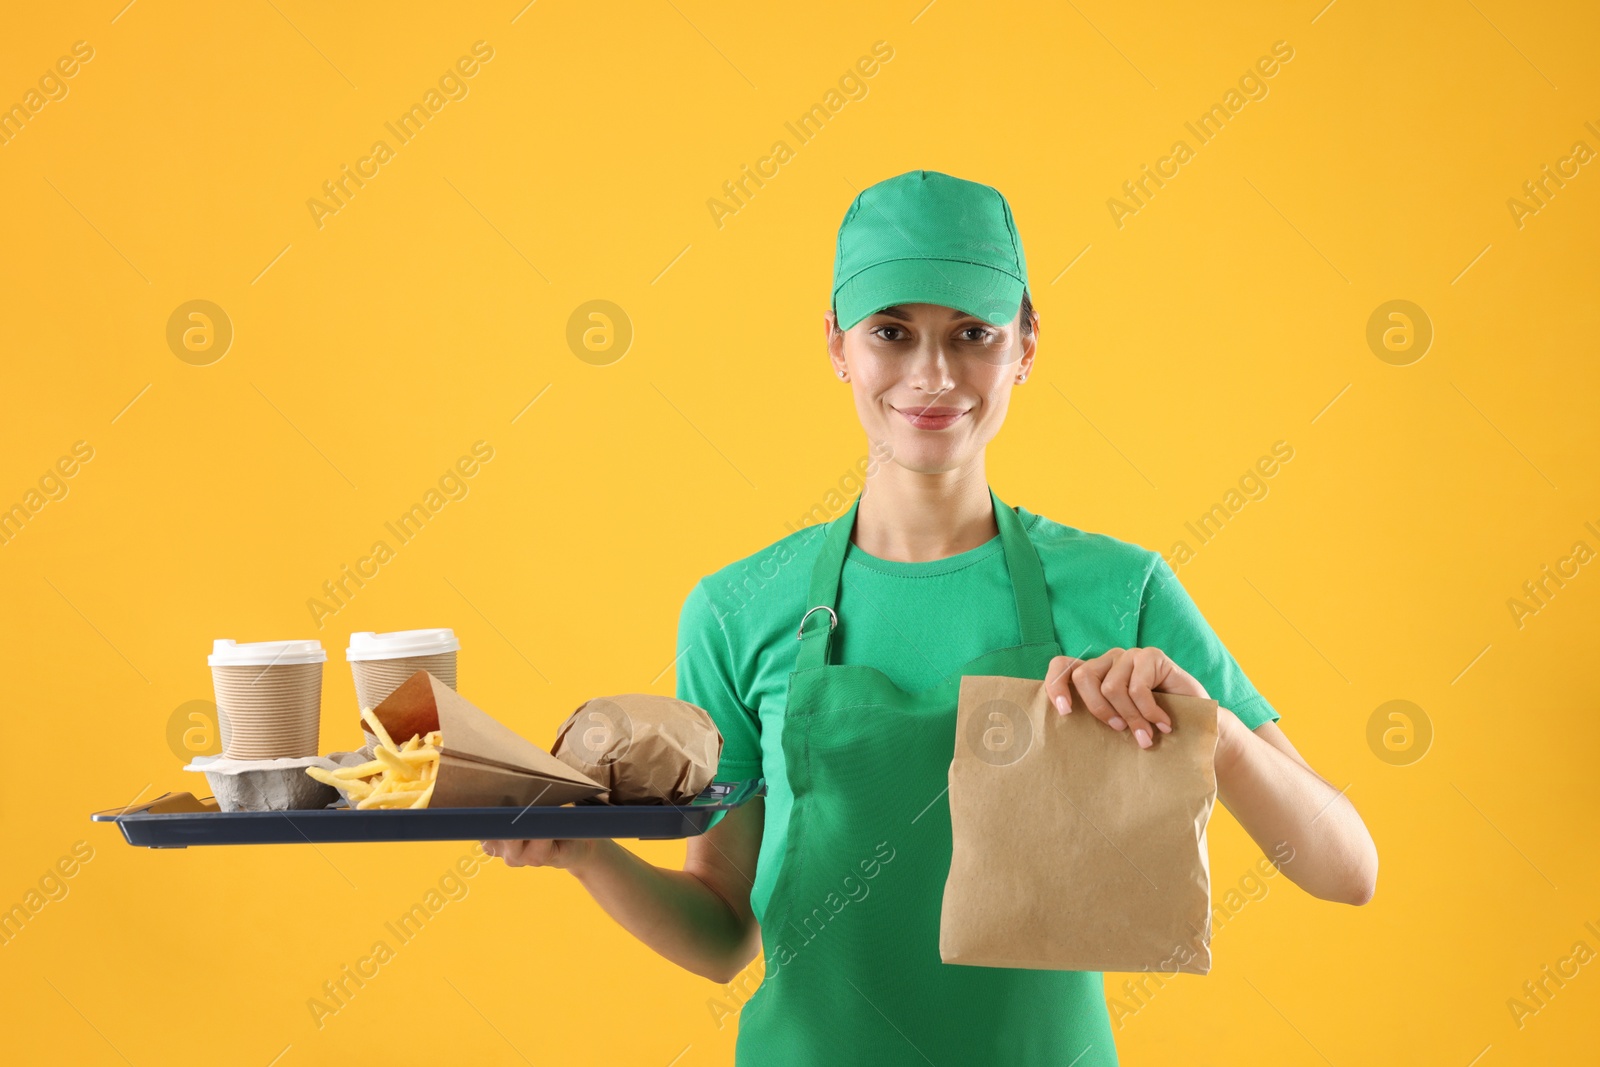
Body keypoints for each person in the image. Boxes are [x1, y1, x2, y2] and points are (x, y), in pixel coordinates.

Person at [483, 169, 1378, 1064]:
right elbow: (724, 932)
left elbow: (1347, 869)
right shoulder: (735, 610)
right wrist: (586, 855)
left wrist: (1207, 726)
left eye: (973, 334)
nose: (934, 373)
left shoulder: (1119, 590)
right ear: (838, 344)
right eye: (892, 332)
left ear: (1026, 346)